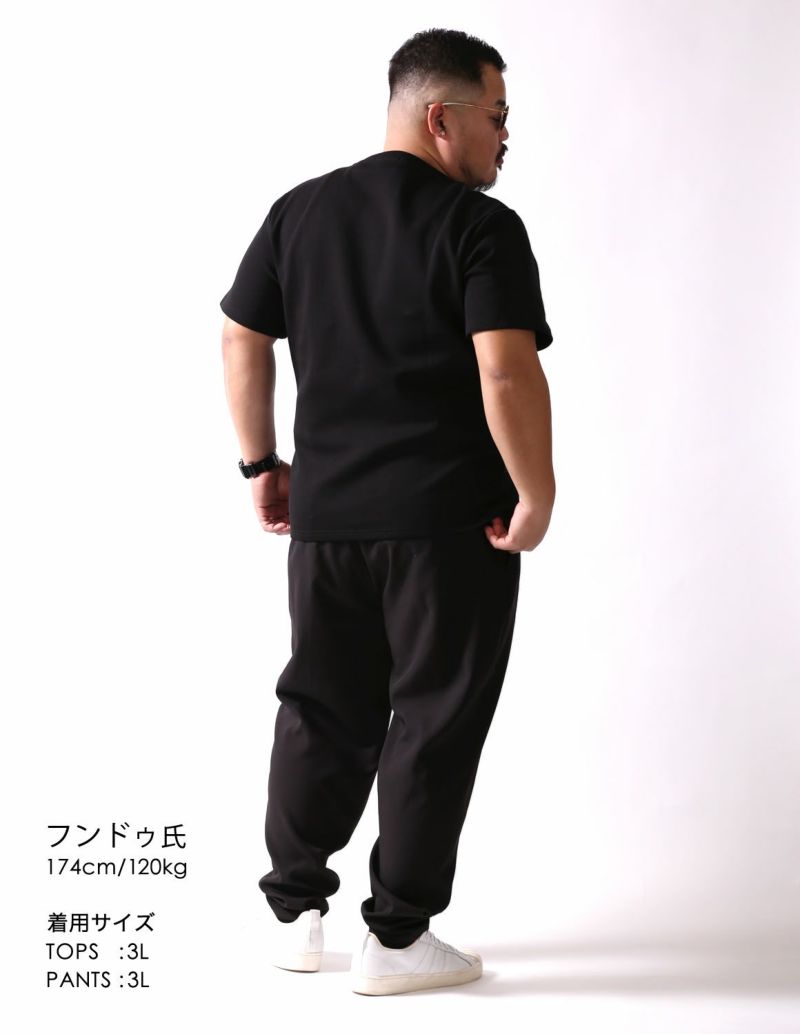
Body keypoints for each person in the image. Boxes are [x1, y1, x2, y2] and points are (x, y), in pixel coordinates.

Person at [219, 26, 555, 996]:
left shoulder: (301, 211)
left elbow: (240, 335)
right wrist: (536, 492)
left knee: (321, 706)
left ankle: (293, 912)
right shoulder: (479, 228)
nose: (505, 137)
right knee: (433, 718)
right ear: (440, 117)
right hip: (448, 527)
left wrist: (261, 463)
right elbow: (505, 368)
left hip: (326, 524)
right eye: (497, 116)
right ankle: (398, 938)